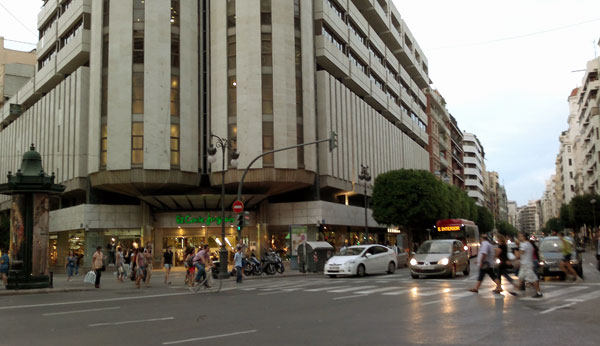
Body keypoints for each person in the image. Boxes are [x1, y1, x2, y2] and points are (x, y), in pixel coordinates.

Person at [512, 232, 543, 298]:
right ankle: (515, 291)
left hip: (526, 265)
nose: (519, 237)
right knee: (520, 277)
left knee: (533, 279)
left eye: (520, 236)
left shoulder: (523, 245)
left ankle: (539, 293)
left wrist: (513, 258)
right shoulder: (529, 244)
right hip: (526, 264)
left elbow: (520, 254)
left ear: (524, 237)